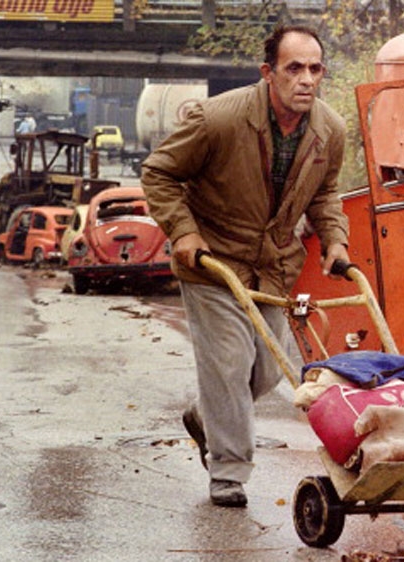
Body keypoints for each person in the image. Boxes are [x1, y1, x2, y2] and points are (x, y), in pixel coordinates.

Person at [141, 25, 350, 507]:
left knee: (268, 374)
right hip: (213, 263)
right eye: (294, 68)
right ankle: (229, 473)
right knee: (231, 366)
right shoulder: (219, 119)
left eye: (315, 69)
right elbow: (159, 172)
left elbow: (325, 194)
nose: (307, 79)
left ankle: (205, 414)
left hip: (272, 268)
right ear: (268, 72)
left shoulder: (329, 131)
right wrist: (184, 233)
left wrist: (335, 241)